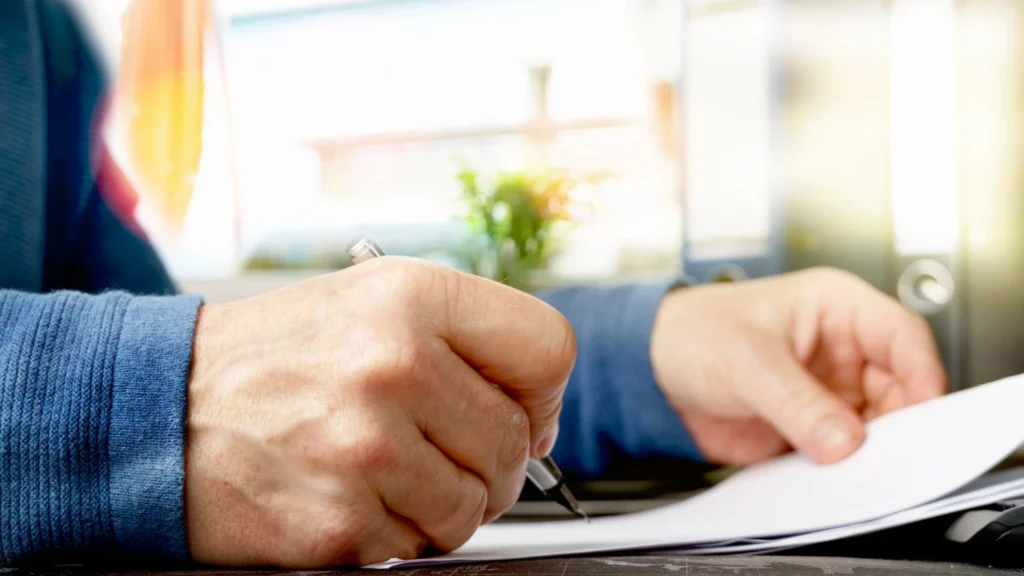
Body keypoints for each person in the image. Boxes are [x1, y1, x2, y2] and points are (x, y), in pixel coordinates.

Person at [0, 0, 948, 569]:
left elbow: (177, 336)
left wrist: (640, 352)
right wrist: (154, 407)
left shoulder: (38, 35)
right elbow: (193, 386)